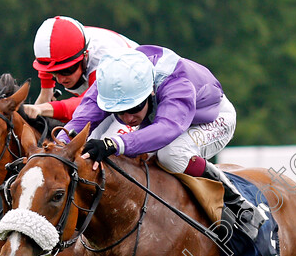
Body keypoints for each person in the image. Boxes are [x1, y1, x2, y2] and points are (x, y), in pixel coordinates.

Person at [60, 46, 266, 240]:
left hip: (212, 119)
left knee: (170, 155)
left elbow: (168, 128)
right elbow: (80, 121)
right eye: (119, 112)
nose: (128, 118)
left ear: (150, 91)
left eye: (134, 108)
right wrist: (60, 144)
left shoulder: (176, 83)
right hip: (165, 117)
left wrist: (113, 143)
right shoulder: (112, 82)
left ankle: (237, 204)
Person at [22, 16, 137, 122]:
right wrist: (43, 97)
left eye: (66, 70)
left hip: (133, 96)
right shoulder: (56, 52)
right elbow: (48, 71)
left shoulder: (103, 62)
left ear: (85, 56)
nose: (60, 80)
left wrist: (43, 109)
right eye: (54, 73)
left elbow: (88, 105)